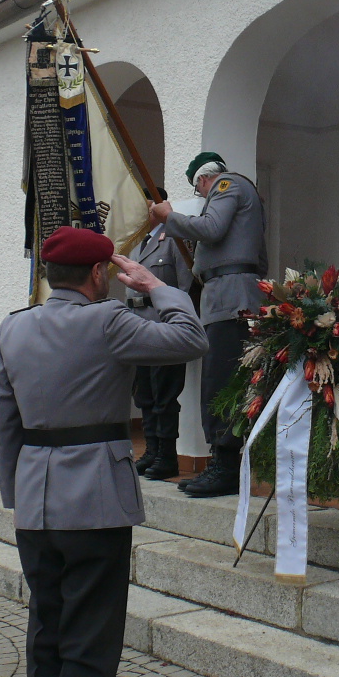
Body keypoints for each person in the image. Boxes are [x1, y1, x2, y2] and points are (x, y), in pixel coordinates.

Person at [0, 224, 208, 677]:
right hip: (95, 501)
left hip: (36, 503)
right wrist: (154, 283)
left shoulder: (13, 327)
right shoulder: (108, 321)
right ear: (96, 275)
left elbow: (5, 420)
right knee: (91, 632)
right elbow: (190, 339)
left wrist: (17, 495)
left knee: (48, 626)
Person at [147, 151, 267, 498]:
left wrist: (170, 216)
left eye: (199, 193)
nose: (202, 198)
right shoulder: (241, 193)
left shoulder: (228, 185)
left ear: (203, 179)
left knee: (220, 381)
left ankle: (225, 466)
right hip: (228, 293)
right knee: (221, 380)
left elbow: (212, 228)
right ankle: (223, 460)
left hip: (230, 296)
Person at [126, 188, 195, 482]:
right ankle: (151, 451)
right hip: (137, 325)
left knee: (164, 394)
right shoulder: (135, 244)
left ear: (158, 206)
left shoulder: (175, 240)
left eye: (146, 205)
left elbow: (186, 284)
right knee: (144, 394)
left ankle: (167, 456)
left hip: (163, 324)